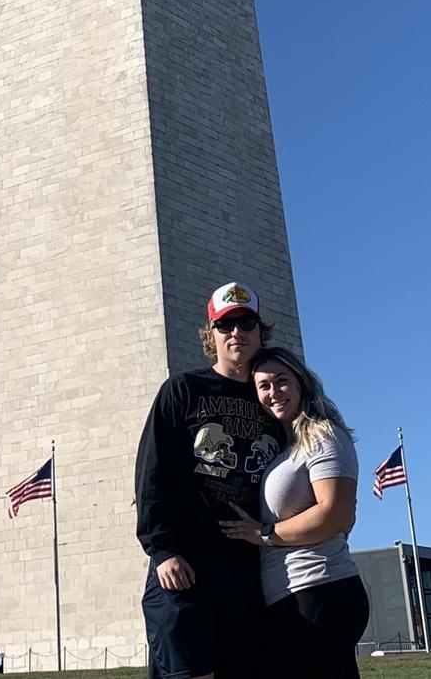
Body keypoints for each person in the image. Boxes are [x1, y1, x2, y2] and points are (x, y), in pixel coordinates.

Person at [135, 282, 284, 679]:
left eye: (246, 323)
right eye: (226, 325)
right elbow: (152, 472)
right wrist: (161, 549)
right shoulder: (183, 390)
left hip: (247, 569)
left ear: (260, 332)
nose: (237, 333)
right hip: (186, 562)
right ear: (211, 334)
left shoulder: (273, 399)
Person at [219, 345, 369, 677]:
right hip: (294, 595)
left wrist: (263, 534)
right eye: (264, 385)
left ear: (302, 382)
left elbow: (335, 514)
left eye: (281, 381)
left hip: (320, 588)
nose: (274, 392)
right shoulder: (284, 449)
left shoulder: (324, 437)